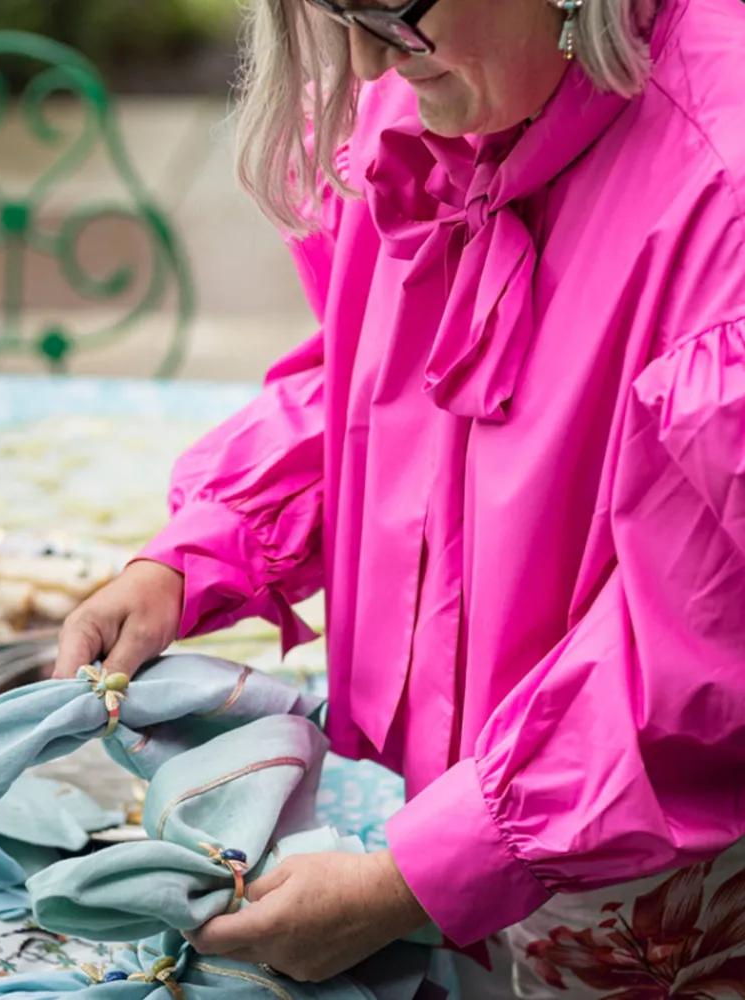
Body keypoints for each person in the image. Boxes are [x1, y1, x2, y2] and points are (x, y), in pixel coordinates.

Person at [55, 0, 745, 992]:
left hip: (655, 885)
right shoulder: (428, 88)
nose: (364, 55)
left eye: (388, 4)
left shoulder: (718, 191)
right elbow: (373, 376)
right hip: (490, 825)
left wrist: (418, 877)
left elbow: (698, 656)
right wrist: (203, 548)